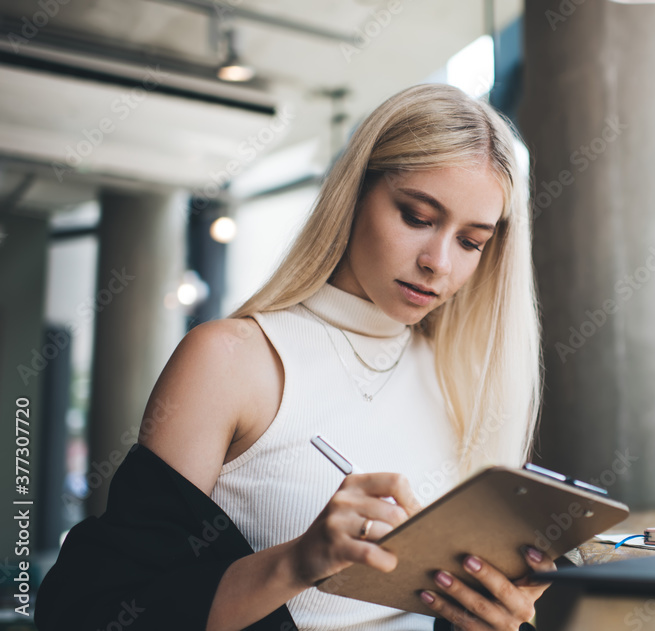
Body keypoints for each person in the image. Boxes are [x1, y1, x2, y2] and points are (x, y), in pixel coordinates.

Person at [35, 83, 554, 631]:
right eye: (417, 217)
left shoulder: (461, 381)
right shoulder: (231, 361)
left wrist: (489, 618)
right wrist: (298, 561)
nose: (438, 263)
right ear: (353, 195)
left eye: (471, 242)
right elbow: (102, 611)